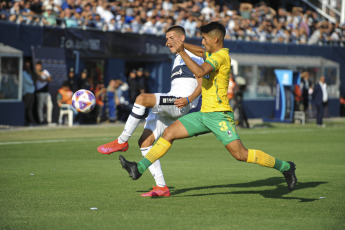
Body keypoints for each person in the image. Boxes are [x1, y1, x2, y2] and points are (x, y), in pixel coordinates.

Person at [118, 21, 297, 192]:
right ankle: (138, 168)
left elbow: (199, 72)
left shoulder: (221, 56)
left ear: (215, 40)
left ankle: (286, 167)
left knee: (240, 154)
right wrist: (182, 44)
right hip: (204, 114)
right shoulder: (211, 54)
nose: (202, 42)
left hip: (220, 115)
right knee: (169, 133)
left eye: (204, 39)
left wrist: (182, 50)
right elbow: (199, 52)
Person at [97, 25, 204, 197]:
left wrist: (189, 99)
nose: (167, 42)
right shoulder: (177, 57)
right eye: (167, 39)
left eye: (171, 38)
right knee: (145, 142)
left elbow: (202, 51)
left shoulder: (194, 54)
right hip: (171, 101)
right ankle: (161, 187)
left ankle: (121, 141)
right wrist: (178, 49)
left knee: (142, 99)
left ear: (181, 38)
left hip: (180, 102)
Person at [22, 61, 36, 126]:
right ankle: (24, 121)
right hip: (27, 93)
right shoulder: (23, 73)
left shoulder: (28, 73)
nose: (28, 67)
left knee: (29, 109)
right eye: (27, 66)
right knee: (26, 108)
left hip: (31, 93)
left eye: (29, 66)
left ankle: (31, 121)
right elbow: (31, 82)